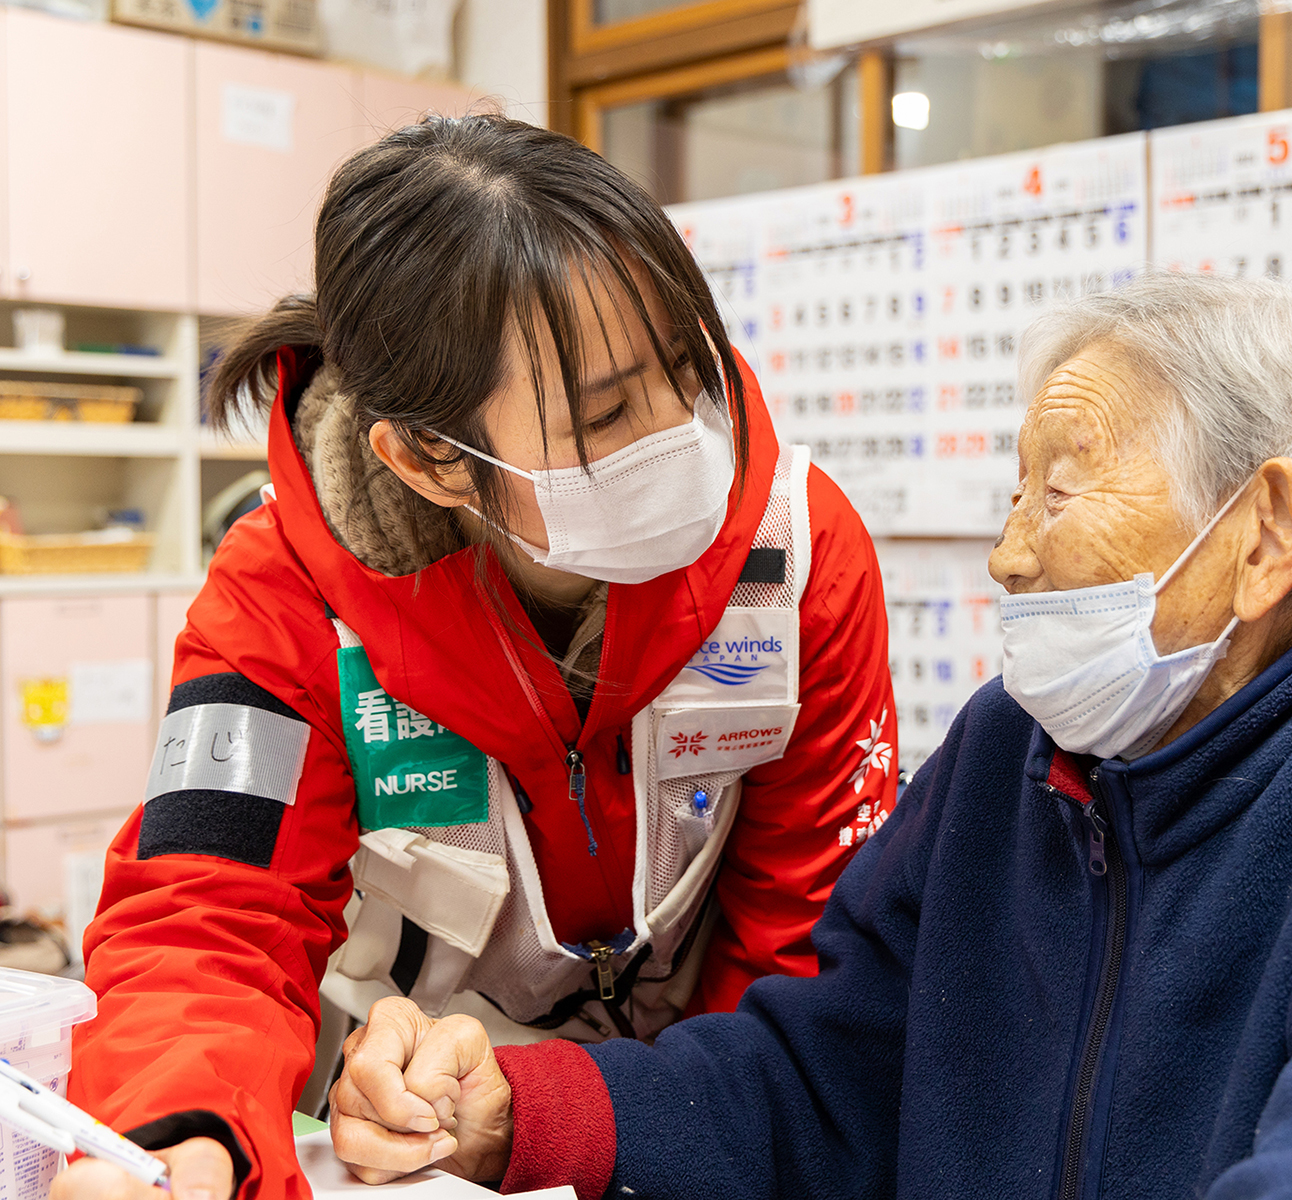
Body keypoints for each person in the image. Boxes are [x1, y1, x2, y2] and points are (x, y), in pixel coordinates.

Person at [325, 273, 1292, 1200]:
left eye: (1060, 487)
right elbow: (830, 1075)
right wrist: (517, 1110)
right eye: (1012, 490)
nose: (1008, 551)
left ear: (1263, 535)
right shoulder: (1010, 755)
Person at [55, 115, 898, 1199]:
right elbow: (209, 916)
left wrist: (687, 1132)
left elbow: (813, 950)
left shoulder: (799, 557)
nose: (680, 435)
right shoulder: (282, 597)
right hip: (404, 1149)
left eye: (685, 369)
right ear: (427, 459)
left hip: (700, 1120)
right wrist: (182, 1138)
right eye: (605, 415)